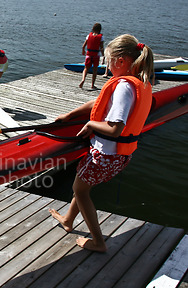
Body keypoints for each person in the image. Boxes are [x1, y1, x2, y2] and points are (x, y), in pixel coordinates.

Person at [49, 34, 154, 252]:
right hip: (119, 155)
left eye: (108, 62)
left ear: (121, 61)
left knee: (80, 190)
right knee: (83, 187)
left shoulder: (124, 87)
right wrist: (69, 115)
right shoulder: (139, 83)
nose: (106, 66)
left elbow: (115, 129)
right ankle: (68, 221)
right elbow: (96, 103)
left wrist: (91, 125)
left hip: (105, 154)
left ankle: (98, 242)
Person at [79, 23, 104, 89]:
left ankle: (83, 79)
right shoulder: (101, 37)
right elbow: (101, 47)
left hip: (88, 54)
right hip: (96, 55)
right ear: (100, 29)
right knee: (95, 70)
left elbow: (83, 46)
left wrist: (83, 50)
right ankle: (92, 85)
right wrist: (103, 55)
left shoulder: (88, 36)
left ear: (93, 28)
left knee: (86, 68)